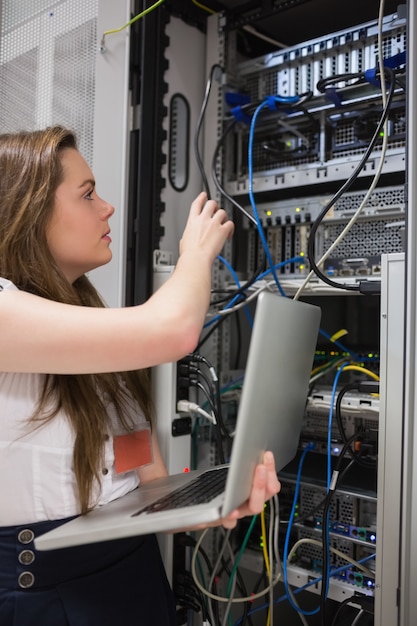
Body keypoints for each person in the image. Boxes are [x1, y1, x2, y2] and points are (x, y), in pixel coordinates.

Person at [0, 126, 280, 626]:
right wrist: (194, 256)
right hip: (46, 594)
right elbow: (171, 331)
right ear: (28, 210)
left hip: (133, 572)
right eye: (87, 195)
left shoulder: (87, 315)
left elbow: (143, 481)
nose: (107, 208)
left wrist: (213, 503)